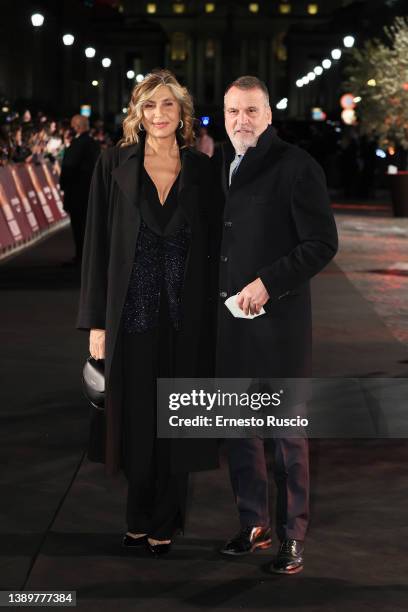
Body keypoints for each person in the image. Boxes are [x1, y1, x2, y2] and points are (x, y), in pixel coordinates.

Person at [76, 69, 219, 556]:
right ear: (137, 112)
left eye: (168, 106)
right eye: (149, 105)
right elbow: (95, 245)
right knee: (136, 421)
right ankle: (137, 516)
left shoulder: (202, 170)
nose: (158, 115)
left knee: (177, 421)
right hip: (130, 317)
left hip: (186, 320)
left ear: (182, 114)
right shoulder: (113, 162)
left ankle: (165, 520)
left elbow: (218, 244)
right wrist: (95, 323)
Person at [213, 76, 338, 574]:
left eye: (250, 111)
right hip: (232, 329)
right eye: (231, 112)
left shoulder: (296, 166)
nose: (241, 121)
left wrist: (269, 282)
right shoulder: (222, 166)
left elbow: (321, 243)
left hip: (279, 327)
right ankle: (254, 523)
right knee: (240, 436)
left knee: (287, 440)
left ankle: (293, 535)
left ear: (269, 116)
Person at [59, 114, 100, 266]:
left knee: (78, 225)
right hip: (90, 190)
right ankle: (88, 256)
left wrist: (63, 184)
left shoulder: (77, 144)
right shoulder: (94, 144)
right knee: (89, 225)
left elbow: (69, 167)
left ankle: (81, 256)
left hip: (77, 190)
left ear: (77, 126)